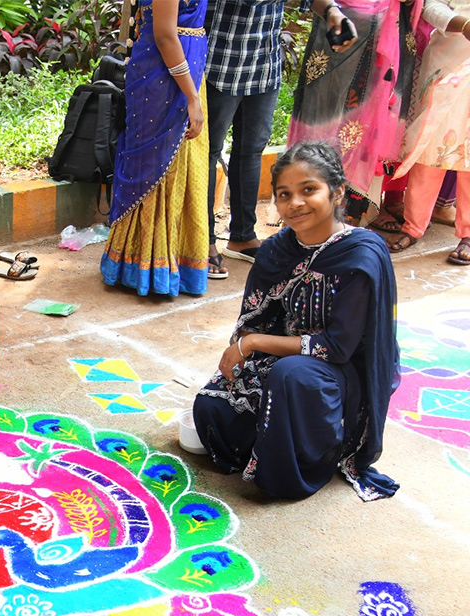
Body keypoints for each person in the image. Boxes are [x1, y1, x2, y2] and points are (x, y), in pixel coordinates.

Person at [191, 141, 400, 501]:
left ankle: (303, 460)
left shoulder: (360, 255)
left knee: (289, 376)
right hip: (281, 358)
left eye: (309, 190)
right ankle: (269, 441)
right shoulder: (276, 249)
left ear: (336, 193)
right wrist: (247, 348)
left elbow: (335, 348)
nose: (295, 203)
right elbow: (255, 318)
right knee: (211, 408)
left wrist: (252, 345)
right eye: (284, 194)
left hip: (337, 373)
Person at [101, 0, 209, 296]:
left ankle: (172, 263)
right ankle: (145, 268)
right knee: (156, 168)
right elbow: (164, 34)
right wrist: (191, 97)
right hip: (164, 77)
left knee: (181, 167)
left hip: (185, 73)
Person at [288, 0, 417, 223]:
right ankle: (309, 217)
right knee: (324, 123)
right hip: (338, 31)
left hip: (384, 36)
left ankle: (352, 220)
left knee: (367, 128)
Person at [202, 0, 296, 278]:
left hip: (264, 64)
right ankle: (203, 241)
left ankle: (242, 236)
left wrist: (331, 12)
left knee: (252, 150)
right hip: (224, 62)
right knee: (208, 151)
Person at [387, 0, 470, 264]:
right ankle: (413, 227)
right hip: (444, 65)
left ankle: (468, 234)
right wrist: (463, 25)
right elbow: (430, 6)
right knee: (428, 148)